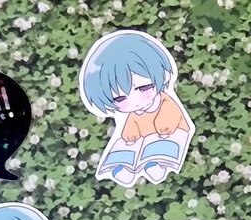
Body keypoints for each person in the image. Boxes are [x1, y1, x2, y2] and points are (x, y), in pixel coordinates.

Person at [80, 31, 193, 185]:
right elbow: (130, 128)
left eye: (143, 87)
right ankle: (122, 169)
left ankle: (157, 166)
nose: (135, 100)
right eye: (120, 98)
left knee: (161, 147)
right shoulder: (133, 114)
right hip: (142, 143)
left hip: (169, 135)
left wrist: (163, 130)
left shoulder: (165, 102)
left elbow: (171, 118)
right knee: (124, 148)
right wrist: (130, 138)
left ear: (164, 75)